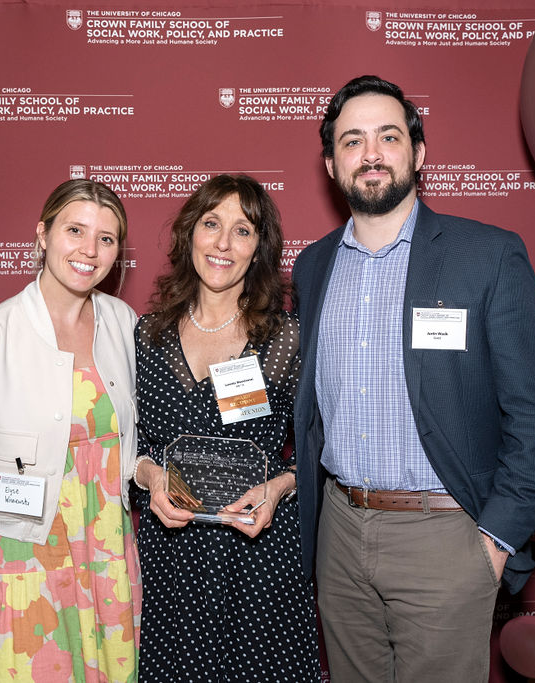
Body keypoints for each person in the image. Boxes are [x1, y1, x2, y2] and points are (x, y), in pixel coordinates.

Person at [292, 75, 535, 682]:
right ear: (332, 163)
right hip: (338, 530)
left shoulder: (486, 255)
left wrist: (494, 542)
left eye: (388, 137)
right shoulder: (312, 268)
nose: (371, 154)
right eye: (352, 140)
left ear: (417, 154)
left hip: (446, 535)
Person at [0, 179, 141, 682]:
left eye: (106, 239)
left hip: (107, 556)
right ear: (42, 235)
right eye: (75, 230)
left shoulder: (124, 324)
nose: (89, 250)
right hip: (23, 560)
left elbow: (127, 450)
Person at [132, 174, 321, 682]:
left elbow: (321, 447)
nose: (222, 243)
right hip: (170, 559)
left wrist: (280, 487)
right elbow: (135, 447)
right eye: (211, 224)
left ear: (259, 248)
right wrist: (150, 478)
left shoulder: (286, 339)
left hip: (257, 557)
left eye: (242, 230)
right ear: (189, 233)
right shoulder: (146, 336)